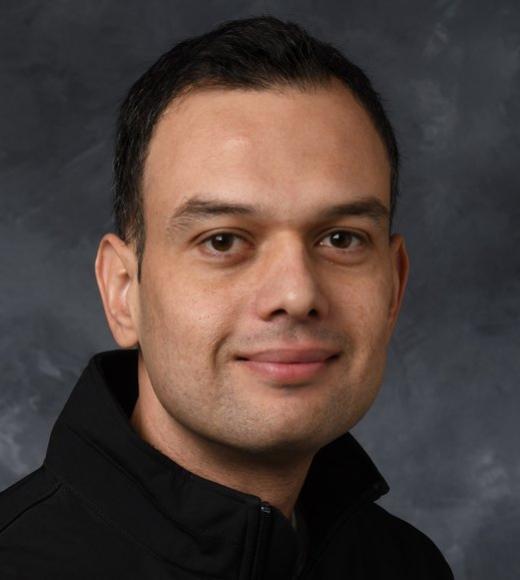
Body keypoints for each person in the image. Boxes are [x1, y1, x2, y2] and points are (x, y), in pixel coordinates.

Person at [0, 15, 454, 579]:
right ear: (123, 292)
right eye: (222, 240)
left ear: (394, 286)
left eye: (341, 239)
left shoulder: (407, 567)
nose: (296, 293)